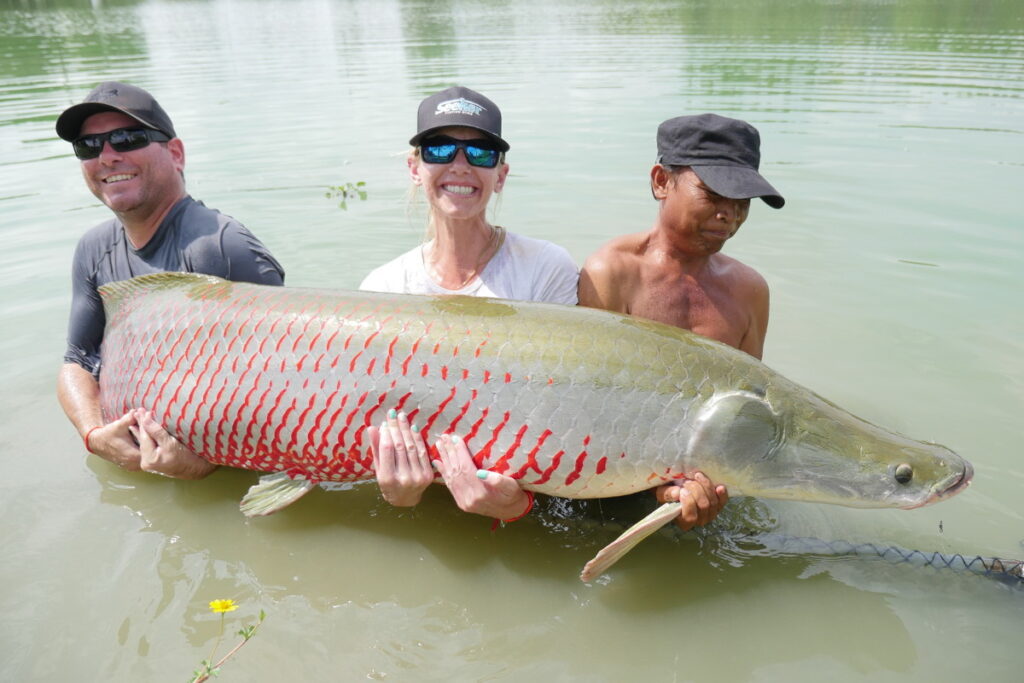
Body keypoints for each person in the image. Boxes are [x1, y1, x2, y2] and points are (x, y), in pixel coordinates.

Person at [361, 86, 578, 522]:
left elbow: (562, 409)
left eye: (480, 153)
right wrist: (399, 497)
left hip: (526, 497)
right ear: (415, 167)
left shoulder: (544, 268)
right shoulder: (384, 287)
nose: (460, 165)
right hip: (428, 508)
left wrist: (520, 505)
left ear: (501, 174)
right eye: (439, 148)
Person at [55, 81, 285, 479]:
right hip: (139, 460)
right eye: (88, 147)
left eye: (127, 139)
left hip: (227, 475)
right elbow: (76, 361)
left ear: (175, 153)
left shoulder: (222, 247)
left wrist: (205, 465)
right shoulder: (94, 249)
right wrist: (94, 434)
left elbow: (287, 392)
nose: (107, 156)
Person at [578, 112, 786, 530]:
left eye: (741, 202)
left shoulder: (750, 290)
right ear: (660, 182)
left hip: (708, 490)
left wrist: (710, 485)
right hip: (614, 487)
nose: (729, 215)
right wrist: (662, 488)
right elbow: (592, 409)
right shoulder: (612, 273)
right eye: (712, 194)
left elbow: (746, 414)